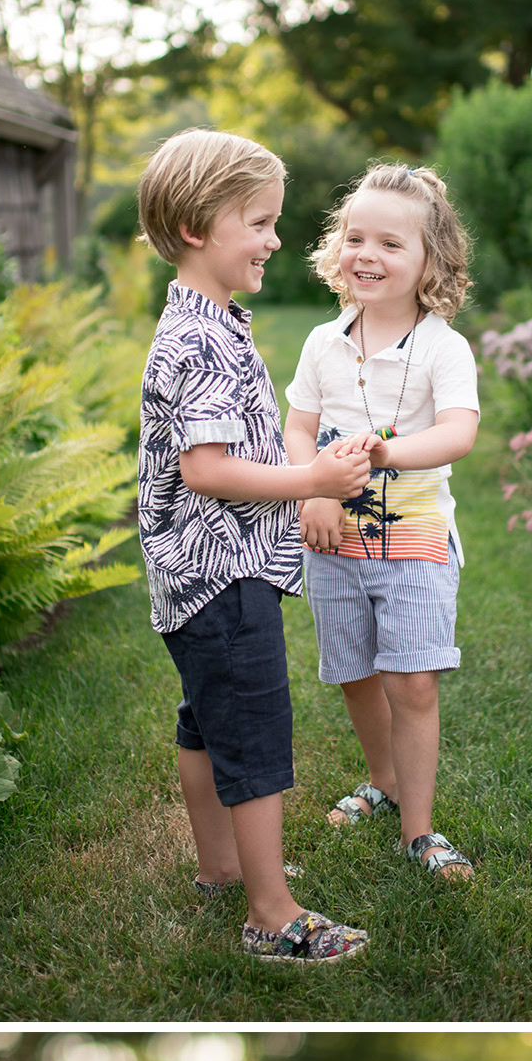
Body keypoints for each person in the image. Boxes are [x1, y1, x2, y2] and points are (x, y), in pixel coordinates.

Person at [134, 126, 369, 970]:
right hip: (220, 574)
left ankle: (223, 866)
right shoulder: (197, 338)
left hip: (196, 577)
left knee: (207, 723)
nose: (277, 240)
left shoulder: (207, 318)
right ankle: (272, 914)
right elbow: (207, 470)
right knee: (257, 737)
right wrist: (312, 479)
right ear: (200, 227)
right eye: (261, 223)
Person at [283, 159, 479, 892]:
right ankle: (381, 780)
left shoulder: (440, 347)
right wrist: (313, 491)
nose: (368, 255)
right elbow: (298, 427)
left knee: (412, 682)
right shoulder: (322, 342)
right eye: (356, 237)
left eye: (392, 244)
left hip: (415, 542)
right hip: (333, 544)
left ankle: (419, 828)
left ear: (431, 261)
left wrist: (384, 453)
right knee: (356, 675)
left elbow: (458, 432)